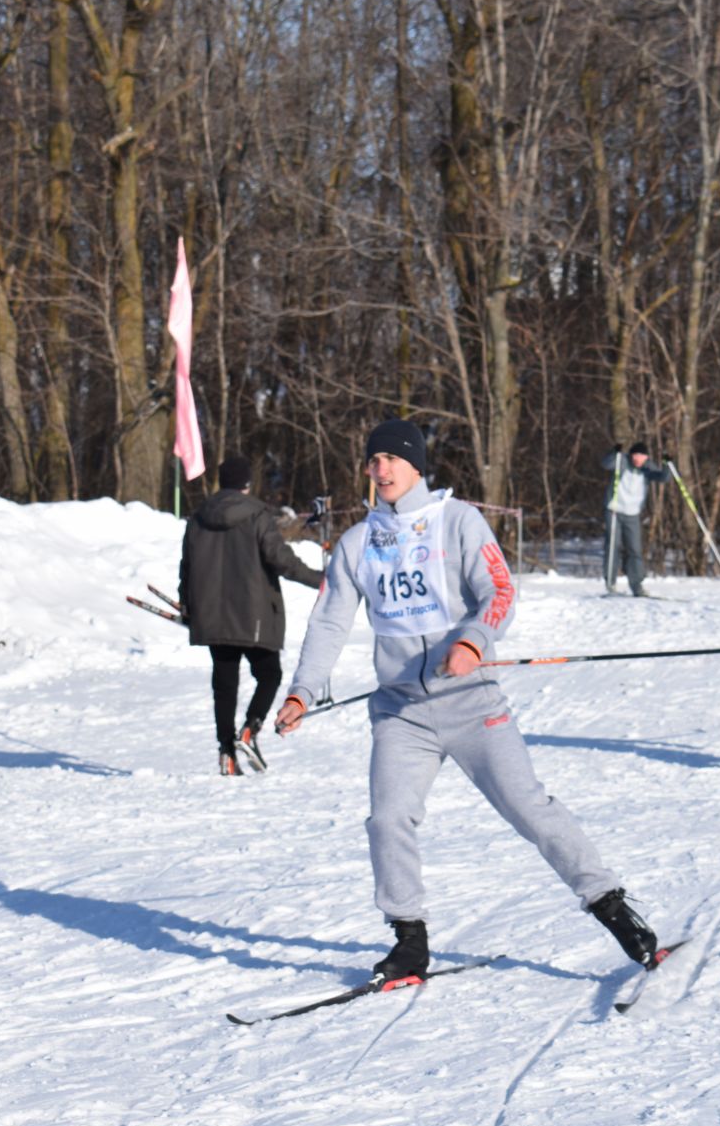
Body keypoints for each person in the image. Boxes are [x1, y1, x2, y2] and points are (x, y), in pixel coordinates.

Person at [275, 418, 661, 983]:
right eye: (372, 459)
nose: (379, 468)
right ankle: (409, 942)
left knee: (529, 807)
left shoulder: (458, 522)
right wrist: (302, 692)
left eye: (390, 458)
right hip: (401, 711)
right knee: (388, 820)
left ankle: (613, 908)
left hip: (471, 702)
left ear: (415, 465)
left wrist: (472, 641)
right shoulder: (359, 542)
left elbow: (499, 591)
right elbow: (329, 620)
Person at [180, 455, 325, 775]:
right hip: (254, 616)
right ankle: (250, 728)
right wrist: (321, 580)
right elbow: (281, 560)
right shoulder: (257, 514)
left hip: (214, 616)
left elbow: (186, 568)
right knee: (269, 674)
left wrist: (187, 606)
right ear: (246, 483)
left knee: (224, 683)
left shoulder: (198, 516)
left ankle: (226, 752)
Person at [599, 441, 672, 596]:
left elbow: (663, 478)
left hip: (633, 514)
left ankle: (636, 585)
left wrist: (667, 464)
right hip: (614, 510)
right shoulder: (622, 462)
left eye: (642, 456)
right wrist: (614, 452)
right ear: (631, 455)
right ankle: (611, 583)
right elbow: (606, 464)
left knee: (635, 550)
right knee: (613, 546)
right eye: (636, 455)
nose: (639, 459)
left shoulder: (648, 468)